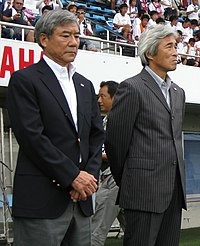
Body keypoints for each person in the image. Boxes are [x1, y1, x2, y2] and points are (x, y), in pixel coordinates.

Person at [7, 9, 104, 246]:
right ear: (44, 39)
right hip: (42, 202)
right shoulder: (25, 80)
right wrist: (72, 177)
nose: (74, 42)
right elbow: (32, 137)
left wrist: (88, 177)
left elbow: (95, 134)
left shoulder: (84, 84)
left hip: (81, 202)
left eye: (77, 36)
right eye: (65, 35)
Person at [105, 24, 186, 246]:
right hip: (143, 192)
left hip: (173, 192)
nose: (175, 51)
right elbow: (115, 143)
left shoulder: (178, 93)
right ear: (150, 53)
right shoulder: (132, 88)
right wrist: (132, 179)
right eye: (168, 46)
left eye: (176, 46)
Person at [91, 81, 126, 246]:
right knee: (136, 231)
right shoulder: (107, 120)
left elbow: (123, 152)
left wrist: (96, 154)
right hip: (111, 177)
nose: (98, 100)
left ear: (115, 97)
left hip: (115, 179)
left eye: (102, 96)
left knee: (96, 231)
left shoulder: (121, 120)